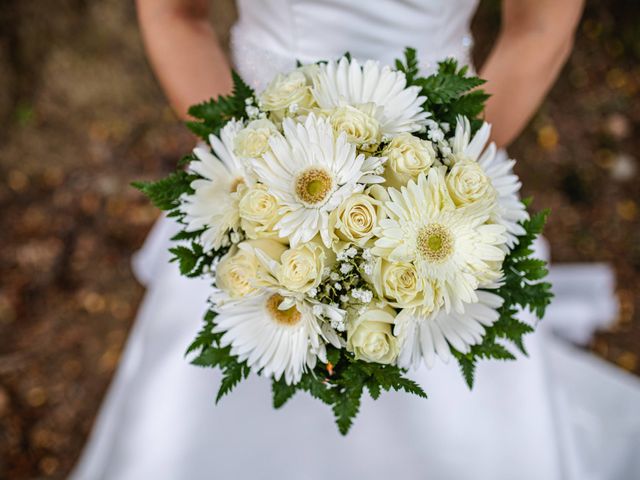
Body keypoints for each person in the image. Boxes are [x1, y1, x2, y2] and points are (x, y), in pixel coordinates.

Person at [71, 1, 640, 479]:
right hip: (262, 177)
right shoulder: (257, 181)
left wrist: (445, 170)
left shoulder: (438, 177)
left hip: (430, 187)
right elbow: (174, 16)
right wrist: (252, 163)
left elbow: (540, 26)